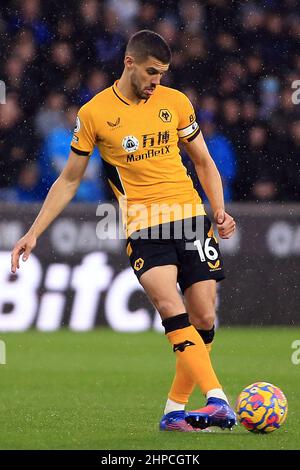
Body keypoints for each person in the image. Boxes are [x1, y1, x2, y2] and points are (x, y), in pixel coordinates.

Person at [11, 30, 237, 432]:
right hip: (143, 227)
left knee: (203, 317)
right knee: (171, 307)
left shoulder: (176, 103)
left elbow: (202, 160)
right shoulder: (95, 113)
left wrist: (218, 210)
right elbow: (68, 179)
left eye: (163, 74)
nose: (157, 81)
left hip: (189, 218)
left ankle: (174, 410)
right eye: (151, 72)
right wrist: (34, 231)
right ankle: (217, 398)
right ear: (129, 63)